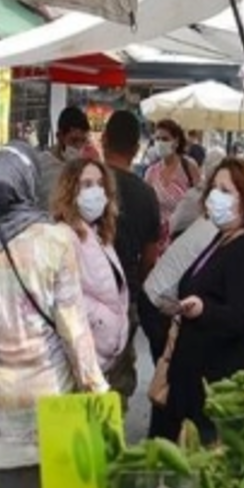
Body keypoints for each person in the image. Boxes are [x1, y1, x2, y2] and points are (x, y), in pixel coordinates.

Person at [0, 142, 108, 441]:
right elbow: (73, 328)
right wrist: (95, 386)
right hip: (49, 401)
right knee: (42, 487)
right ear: (30, 181)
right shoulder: (56, 241)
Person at [149, 158, 244, 442]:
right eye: (214, 188)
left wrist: (204, 310)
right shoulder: (221, 238)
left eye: (226, 191)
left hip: (219, 382)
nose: (215, 196)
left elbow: (243, 317)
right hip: (194, 377)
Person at [101, 111, 162, 396]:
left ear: (103, 140)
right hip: (124, 296)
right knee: (119, 375)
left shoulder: (85, 184)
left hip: (80, 295)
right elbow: (150, 257)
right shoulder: (146, 194)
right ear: (136, 150)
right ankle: (112, 431)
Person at [52, 159, 130, 372]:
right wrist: (103, 322)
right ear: (71, 191)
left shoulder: (99, 233)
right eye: (87, 184)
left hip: (100, 355)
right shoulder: (64, 236)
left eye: (100, 184)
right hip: (80, 359)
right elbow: (64, 297)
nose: (96, 191)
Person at [144, 118, 201, 253]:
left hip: (183, 239)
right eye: (157, 139)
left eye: (165, 139)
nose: (160, 143)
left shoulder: (189, 167)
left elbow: (200, 202)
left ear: (175, 141)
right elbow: (145, 207)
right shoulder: (151, 172)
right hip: (156, 240)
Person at [37, 106, 92, 205]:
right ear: (59, 136)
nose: (79, 147)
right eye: (74, 141)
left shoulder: (85, 168)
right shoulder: (41, 165)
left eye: (83, 141)